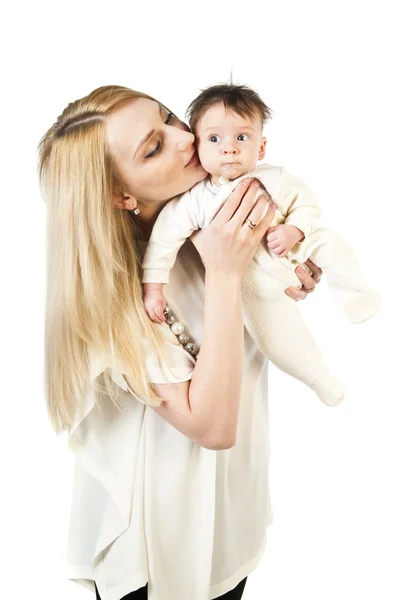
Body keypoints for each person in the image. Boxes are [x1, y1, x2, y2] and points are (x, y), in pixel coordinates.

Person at [38, 84, 321, 600]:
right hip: (158, 555)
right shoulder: (118, 295)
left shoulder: (202, 224)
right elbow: (211, 426)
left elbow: (256, 313)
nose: (185, 138)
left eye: (169, 117)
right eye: (153, 147)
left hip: (224, 524)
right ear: (121, 196)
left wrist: (289, 271)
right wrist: (227, 276)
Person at [142, 84, 381, 408]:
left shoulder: (275, 178)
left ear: (262, 147)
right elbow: (163, 240)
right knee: (271, 333)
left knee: (331, 244)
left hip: (294, 249)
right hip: (252, 280)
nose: (229, 149)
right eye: (214, 139)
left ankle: (355, 293)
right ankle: (316, 376)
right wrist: (153, 287)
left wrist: (296, 230)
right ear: (197, 146)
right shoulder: (193, 202)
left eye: (241, 138)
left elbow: (308, 205)